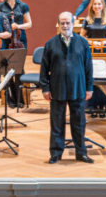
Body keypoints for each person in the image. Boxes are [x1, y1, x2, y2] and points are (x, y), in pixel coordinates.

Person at [40, 11, 95, 164]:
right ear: (58, 25)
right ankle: (56, 153)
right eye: (62, 23)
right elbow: (44, 68)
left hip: (78, 88)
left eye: (68, 23)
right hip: (57, 88)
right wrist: (45, 88)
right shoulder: (50, 43)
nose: (65, 26)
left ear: (73, 24)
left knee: (79, 123)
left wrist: (89, 87)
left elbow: (88, 67)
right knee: (57, 123)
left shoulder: (82, 42)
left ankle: (81, 153)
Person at [0, 0, 32, 106]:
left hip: (20, 41)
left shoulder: (23, 5)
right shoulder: (0, 7)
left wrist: (18, 26)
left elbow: (29, 23)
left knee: (19, 69)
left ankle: (20, 99)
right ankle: (10, 99)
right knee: (7, 69)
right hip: (6, 41)